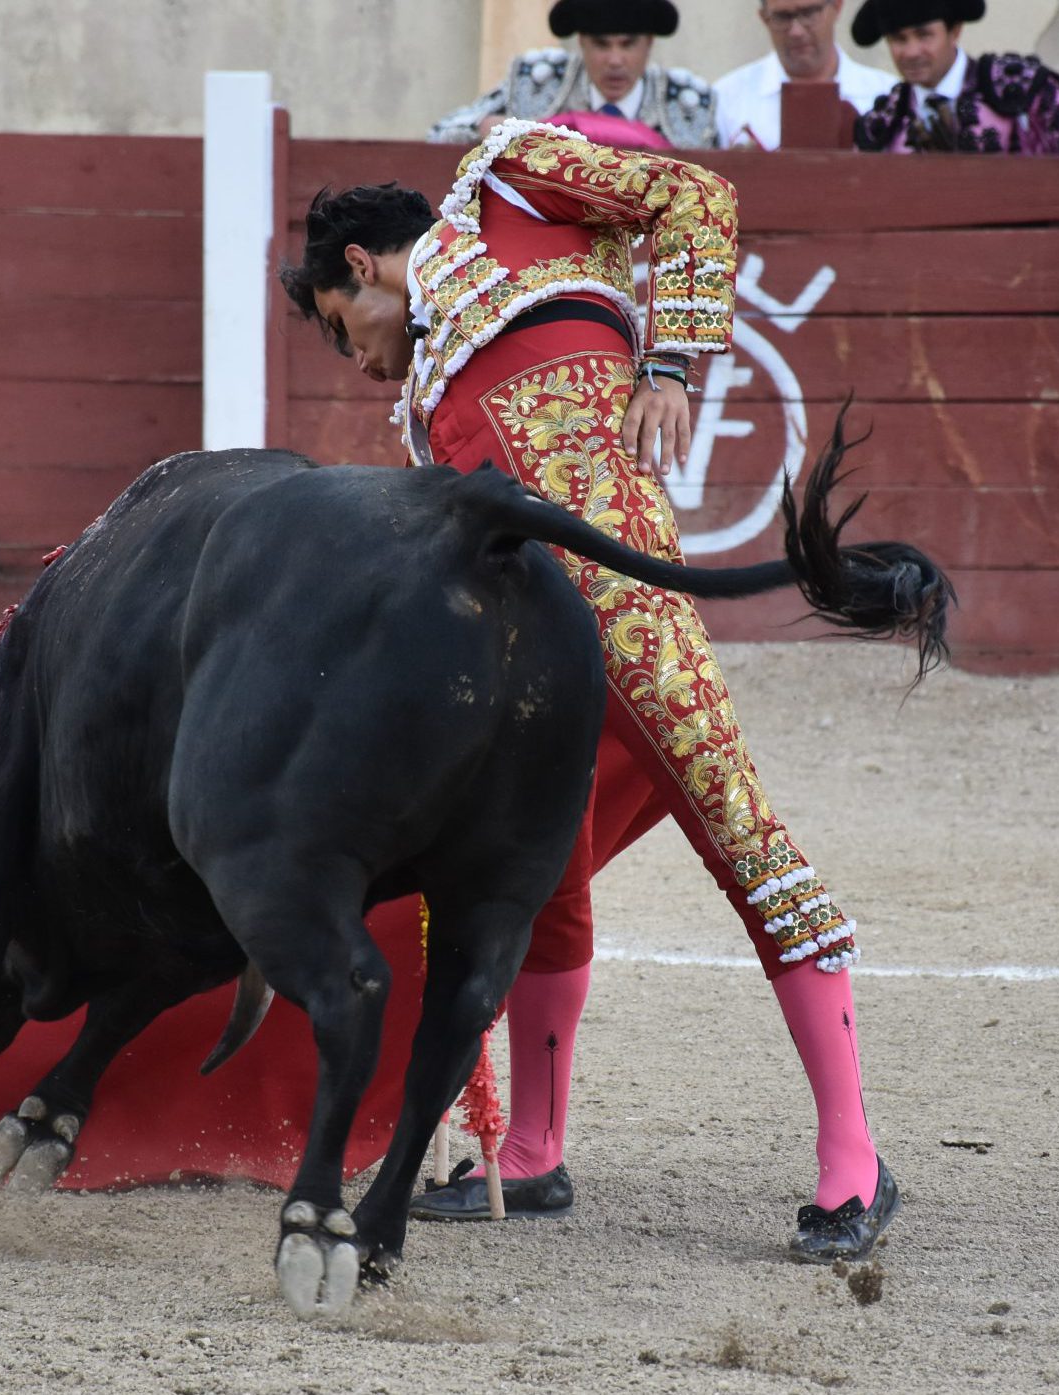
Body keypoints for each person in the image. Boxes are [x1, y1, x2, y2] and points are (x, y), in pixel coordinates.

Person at [279, 120, 905, 1262]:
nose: (361, 361)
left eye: (341, 329)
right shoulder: (424, 394)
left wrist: (666, 364)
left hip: (631, 608)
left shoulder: (506, 178)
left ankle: (853, 1159)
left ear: (358, 265)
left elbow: (693, 196)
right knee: (538, 878)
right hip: (509, 649)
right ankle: (532, 1153)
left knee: (744, 842)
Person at [429, 0, 719, 149]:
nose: (615, 60)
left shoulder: (687, 102)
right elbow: (440, 133)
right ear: (581, 42)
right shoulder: (540, 80)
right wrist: (483, 126)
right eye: (601, 44)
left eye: (628, 44)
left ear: (650, 43)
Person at [849, 0, 1059, 155]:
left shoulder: (1025, 91)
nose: (911, 52)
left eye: (924, 35)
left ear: (955, 31)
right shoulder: (882, 125)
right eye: (899, 39)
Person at [712, 0, 897, 150]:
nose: (796, 31)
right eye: (782, 17)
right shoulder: (726, 99)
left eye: (809, 13)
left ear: (837, 6)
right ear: (764, 18)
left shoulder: (889, 96)